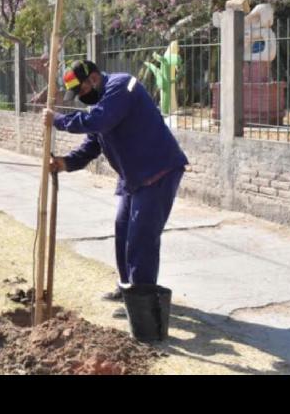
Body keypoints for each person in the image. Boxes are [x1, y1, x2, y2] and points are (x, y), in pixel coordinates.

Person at [43, 60, 188, 322]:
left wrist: (58, 121)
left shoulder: (122, 86)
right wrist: (65, 163)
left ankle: (142, 301)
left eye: (82, 91)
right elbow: (91, 145)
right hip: (133, 176)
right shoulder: (102, 103)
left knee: (141, 238)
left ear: (94, 79)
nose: (81, 98)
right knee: (123, 232)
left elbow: (99, 120)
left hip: (158, 171)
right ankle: (127, 289)